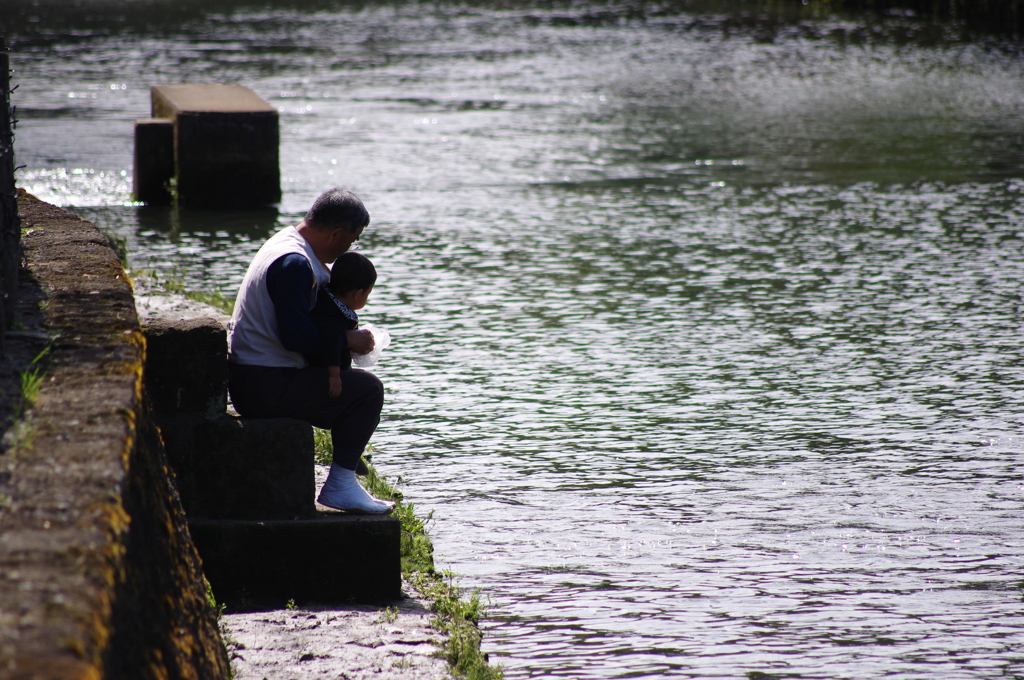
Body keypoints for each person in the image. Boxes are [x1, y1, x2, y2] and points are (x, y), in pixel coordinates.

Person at [227, 187, 393, 514]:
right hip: (263, 385)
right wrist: (347, 340)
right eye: (353, 239)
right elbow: (296, 337)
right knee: (367, 391)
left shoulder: (288, 243)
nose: (351, 247)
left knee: (348, 379)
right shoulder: (294, 265)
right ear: (336, 233)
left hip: (259, 374)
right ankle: (340, 486)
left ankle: (347, 465)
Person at [310, 251, 377, 399]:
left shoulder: (326, 298)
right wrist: (334, 377)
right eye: (367, 294)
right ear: (357, 294)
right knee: (371, 389)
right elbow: (332, 343)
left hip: (325, 368)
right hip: (327, 371)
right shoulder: (333, 315)